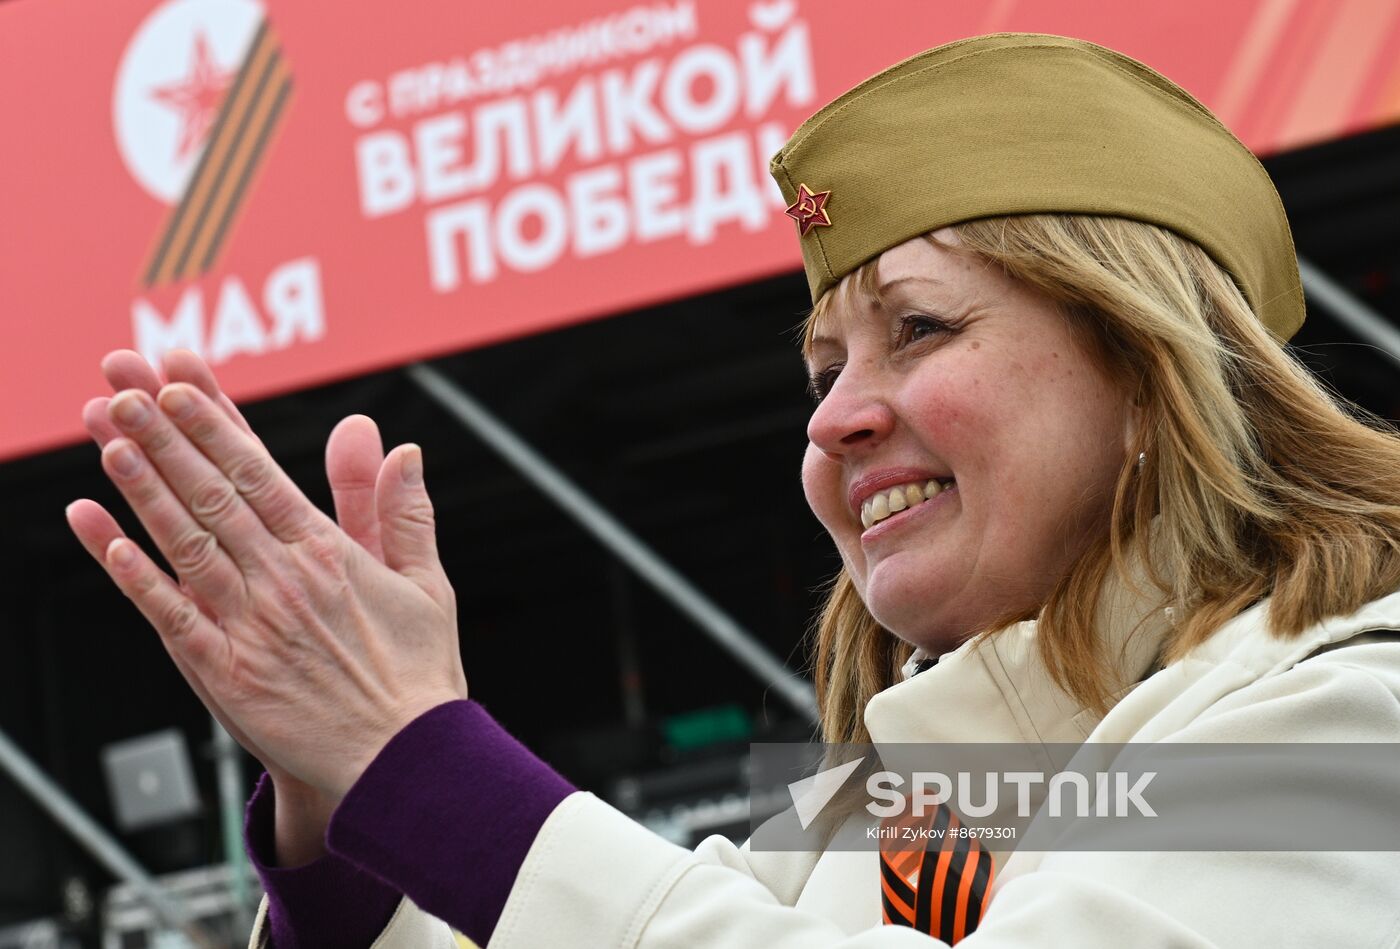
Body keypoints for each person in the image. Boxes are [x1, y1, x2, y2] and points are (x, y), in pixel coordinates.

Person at [65, 32, 1400, 948]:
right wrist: (343, 821)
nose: (831, 417)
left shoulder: (1349, 723)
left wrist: (424, 767)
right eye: (822, 368)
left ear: (1151, 371)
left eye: (920, 329)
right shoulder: (902, 807)